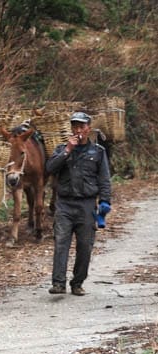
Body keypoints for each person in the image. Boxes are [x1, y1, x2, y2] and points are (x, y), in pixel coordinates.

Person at [45, 111, 112, 296]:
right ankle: (58, 283)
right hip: (64, 204)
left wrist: (105, 201)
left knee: (85, 246)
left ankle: (77, 282)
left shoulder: (98, 152)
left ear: (88, 128)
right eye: (75, 126)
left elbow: (104, 179)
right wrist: (67, 151)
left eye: (82, 126)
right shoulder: (62, 149)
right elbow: (50, 168)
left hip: (87, 205)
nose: (78, 130)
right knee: (61, 243)